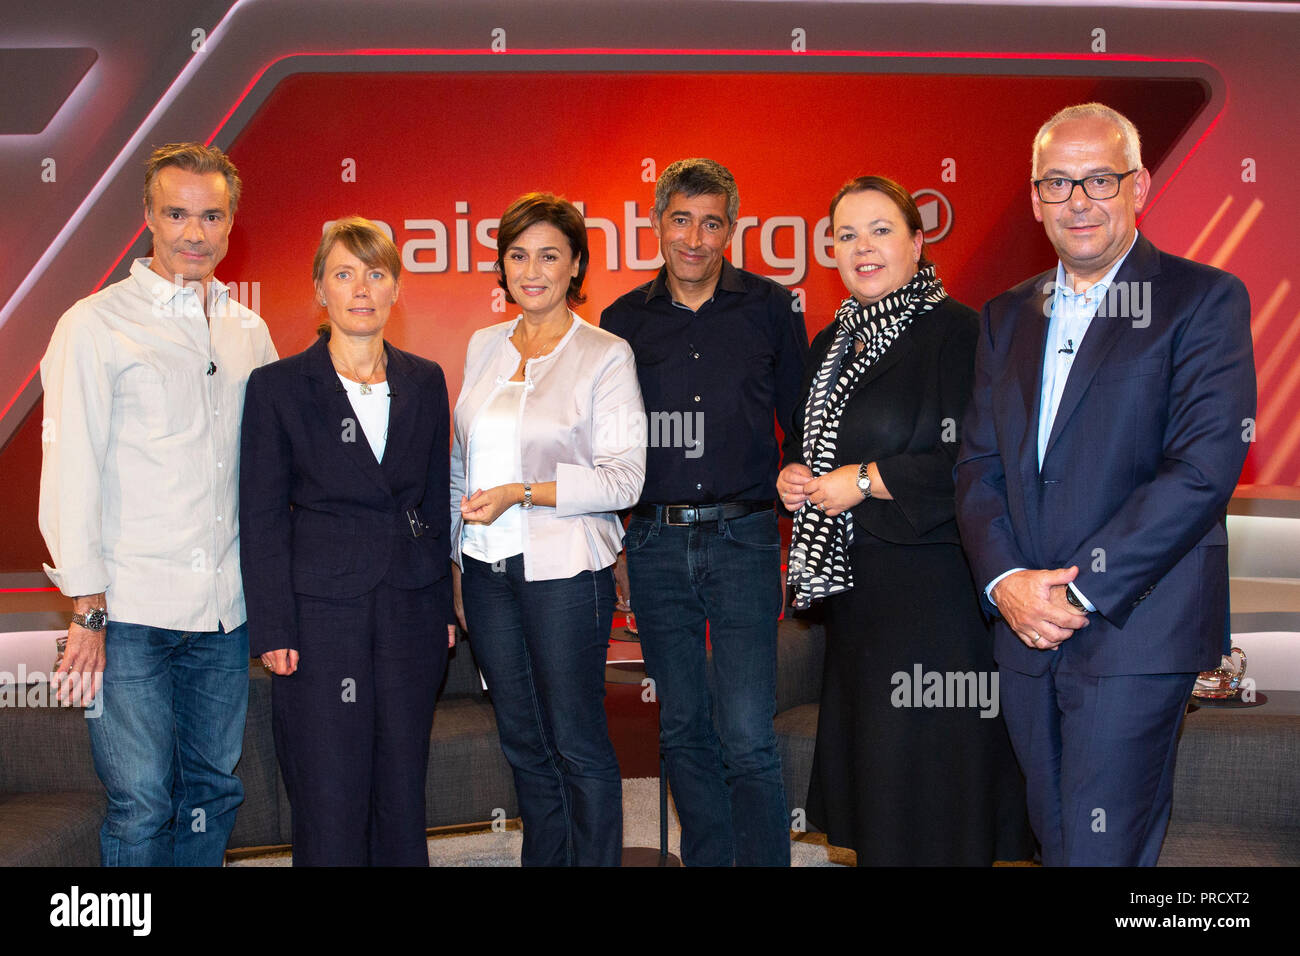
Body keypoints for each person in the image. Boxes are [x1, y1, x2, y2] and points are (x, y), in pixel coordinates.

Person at [955, 103, 1257, 866]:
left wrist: (1076, 591)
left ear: (1140, 185)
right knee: (1058, 842)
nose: (1078, 200)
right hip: (1024, 630)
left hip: (1132, 628)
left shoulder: (1203, 300)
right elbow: (978, 465)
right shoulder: (1005, 316)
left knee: (1103, 851)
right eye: (1058, 183)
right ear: (1034, 198)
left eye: (1100, 178)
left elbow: (1201, 470)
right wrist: (1009, 583)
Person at [778, 176, 1033, 866]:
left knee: (931, 787)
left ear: (918, 242)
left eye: (881, 230)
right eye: (847, 235)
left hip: (932, 592)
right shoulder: (831, 343)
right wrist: (795, 475)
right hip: (857, 599)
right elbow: (811, 446)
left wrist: (865, 481)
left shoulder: (960, 333)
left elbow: (978, 457)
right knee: (880, 788)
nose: (863, 247)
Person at [38, 143, 277, 866]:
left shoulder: (248, 332)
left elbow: (269, 475)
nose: (193, 233)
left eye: (211, 216)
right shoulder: (93, 324)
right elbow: (70, 470)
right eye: (176, 213)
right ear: (147, 215)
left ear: (232, 222)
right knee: (142, 801)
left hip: (223, 611)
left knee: (212, 790)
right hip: (131, 612)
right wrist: (87, 609)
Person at [601, 159, 808, 866]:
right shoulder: (622, 321)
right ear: (657, 223)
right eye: (681, 219)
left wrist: (802, 475)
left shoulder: (771, 308)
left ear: (731, 229)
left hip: (744, 537)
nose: (695, 237)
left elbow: (802, 422)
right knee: (684, 727)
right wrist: (619, 543)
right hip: (655, 541)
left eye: (711, 222)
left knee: (748, 731)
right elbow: (609, 446)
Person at [239, 216, 454, 866]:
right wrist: (273, 625)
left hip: (411, 612)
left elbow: (434, 502)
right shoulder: (277, 387)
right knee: (329, 792)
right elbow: (262, 515)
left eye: (376, 272)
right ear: (319, 290)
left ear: (396, 288)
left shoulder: (426, 379)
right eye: (344, 273)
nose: (361, 288)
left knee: (401, 788)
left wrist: (444, 605)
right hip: (319, 617)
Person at [451, 193, 645, 866]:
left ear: (576, 266)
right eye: (517, 255)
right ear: (502, 266)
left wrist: (521, 494)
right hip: (486, 573)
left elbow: (625, 481)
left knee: (575, 739)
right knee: (524, 742)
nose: (531, 270)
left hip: (566, 573)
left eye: (549, 255)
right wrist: (457, 559)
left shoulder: (605, 354)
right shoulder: (483, 346)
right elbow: (459, 463)